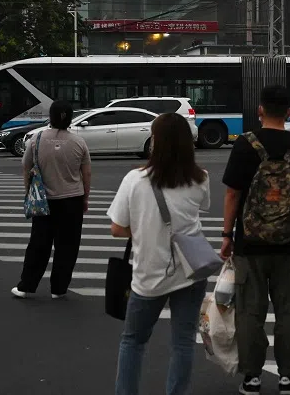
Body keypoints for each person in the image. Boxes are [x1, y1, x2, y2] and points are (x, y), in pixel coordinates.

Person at [221, 85, 290, 395]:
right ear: (289, 112)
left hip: (250, 244)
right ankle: (287, 377)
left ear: (260, 110)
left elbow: (232, 193)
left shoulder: (245, 144)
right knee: (289, 310)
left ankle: (252, 377)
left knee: (250, 312)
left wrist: (227, 235)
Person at [108, 112, 211, 395]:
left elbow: (117, 228)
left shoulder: (135, 179)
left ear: (156, 142)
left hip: (148, 276)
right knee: (183, 343)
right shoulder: (200, 178)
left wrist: (143, 227)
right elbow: (197, 211)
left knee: (133, 342)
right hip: (191, 272)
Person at [13, 99, 91, 299]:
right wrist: (85, 199)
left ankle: (26, 286)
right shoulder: (78, 142)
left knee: (39, 244)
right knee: (68, 246)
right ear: (70, 117)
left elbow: (26, 167)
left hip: (44, 200)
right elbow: (86, 174)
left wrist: (27, 192)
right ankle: (59, 289)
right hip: (72, 200)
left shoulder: (37, 139)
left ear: (51, 116)